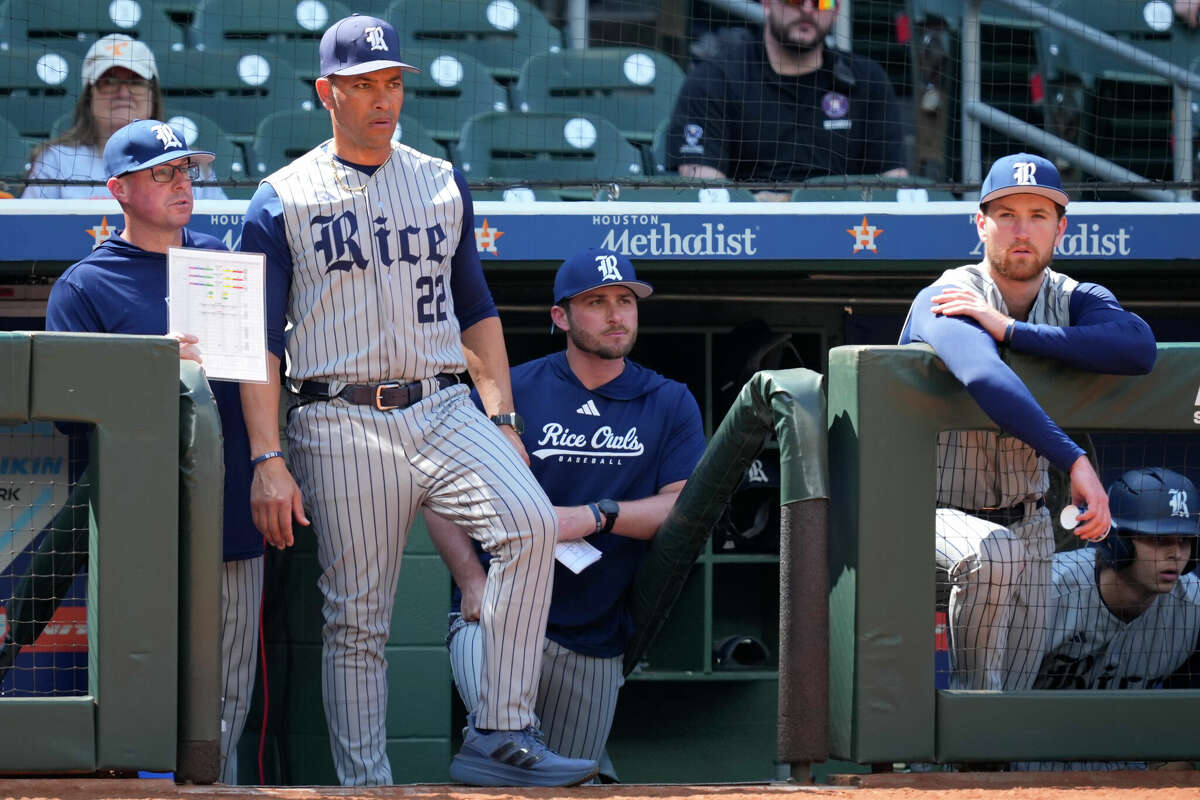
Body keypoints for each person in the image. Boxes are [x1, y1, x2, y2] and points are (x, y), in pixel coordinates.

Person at [236, 15, 597, 787]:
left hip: (442, 404)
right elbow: (258, 343)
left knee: (531, 522)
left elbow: (476, 311)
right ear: (326, 92)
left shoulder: (438, 179)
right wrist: (269, 457)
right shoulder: (280, 199)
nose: (383, 99)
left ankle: (500, 731)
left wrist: (501, 416)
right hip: (339, 414)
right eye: (364, 85)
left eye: (393, 82)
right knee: (359, 619)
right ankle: (368, 784)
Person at [21, 119, 261, 783]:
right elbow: (76, 424)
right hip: (138, 525)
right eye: (162, 173)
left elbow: (259, 381)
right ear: (118, 189)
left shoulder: (222, 264)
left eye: (185, 170)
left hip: (231, 510)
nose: (182, 182)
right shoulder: (85, 285)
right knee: (145, 688)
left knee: (226, 696)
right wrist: (153, 366)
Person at [430, 248, 706, 781]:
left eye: (625, 300)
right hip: (496, 615)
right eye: (596, 302)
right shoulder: (510, 392)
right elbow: (438, 491)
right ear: (561, 317)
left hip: (594, 634)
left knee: (569, 783)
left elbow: (680, 508)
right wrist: (469, 580)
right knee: (502, 756)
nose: (615, 314)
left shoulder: (668, 400)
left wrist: (594, 516)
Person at [899, 152, 1157, 691]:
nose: (1022, 229)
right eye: (1007, 214)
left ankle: (983, 758)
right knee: (992, 556)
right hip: (924, 513)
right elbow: (987, 378)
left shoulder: (1076, 297)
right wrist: (1076, 460)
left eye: (1038, 215)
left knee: (1014, 698)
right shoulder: (950, 294)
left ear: (1060, 229)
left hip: (1029, 519)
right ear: (981, 224)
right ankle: (971, 725)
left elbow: (1138, 347)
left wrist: (1014, 332)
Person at [1011, 467, 1200, 771]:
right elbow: (993, 707)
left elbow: (1187, 733)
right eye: (1159, 539)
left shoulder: (1193, 609)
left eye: (1184, 541)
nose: (1176, 554)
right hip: (1026, 769)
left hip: (1125, 778)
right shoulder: (1047, 593)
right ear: (1117, 542)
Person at [665, 0, 908, 200]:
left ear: (836, 12)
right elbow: (702, 188)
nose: (807, 9)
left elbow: (894, 181)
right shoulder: (715, 79)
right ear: (767, 3)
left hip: (848, 235)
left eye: (821, 2)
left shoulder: (867, 80)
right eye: (794, 0)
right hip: (747, 235)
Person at [21, 34, 226, 200]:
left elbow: (221, 233)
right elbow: (27, 234)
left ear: (152, 94)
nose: (123, 92)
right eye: (108, 81)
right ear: (89, 95)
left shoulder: (190, 164)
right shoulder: (56, 160)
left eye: (136, 81)